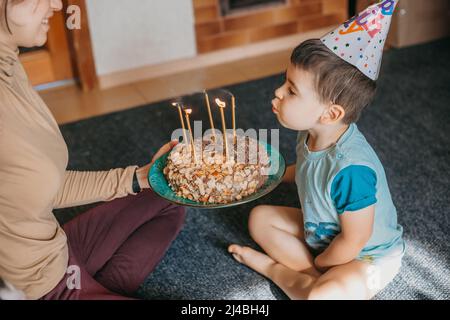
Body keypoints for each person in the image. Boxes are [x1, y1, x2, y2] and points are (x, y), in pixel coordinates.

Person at [0, 0, 185, 300]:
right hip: (38, 289)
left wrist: (140, 178)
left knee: (168, 194)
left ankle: (96, 288)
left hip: (58, 253)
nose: (57, 5)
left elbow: (33, 186)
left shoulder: (7, 60)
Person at [228, 0, 405, 300]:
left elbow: (355, 238)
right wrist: (275, 174)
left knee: (321, 297)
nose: (278, 92)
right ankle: (311, 280)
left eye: (292, 90)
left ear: (330, 114)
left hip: (366, 255)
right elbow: (311, 173)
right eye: (285, 82)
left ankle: (281, 273)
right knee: (259, 217)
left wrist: (324, 263)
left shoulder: (352, 170)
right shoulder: (310, 133)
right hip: (323, 233)